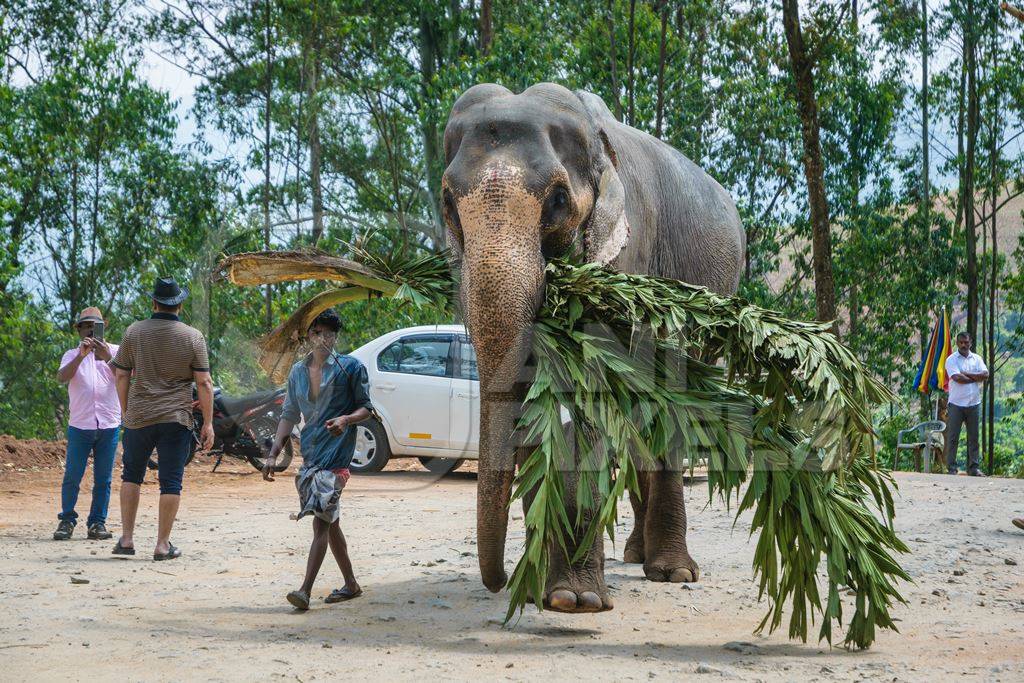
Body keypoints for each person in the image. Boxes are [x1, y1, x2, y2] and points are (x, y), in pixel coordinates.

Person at [263, 308, 372, 610]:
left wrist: (346, 420)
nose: (324, 339)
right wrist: (273, 454)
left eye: (330, 333)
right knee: (331, 520)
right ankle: (351, 584)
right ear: (308, 336)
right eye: (318, 332)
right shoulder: (297, 372)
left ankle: (304, 591)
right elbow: (288, 415)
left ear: (336, 337)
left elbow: (367, 409)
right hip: (311, 456)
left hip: (336, 457)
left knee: (321, 522)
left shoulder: (351, 368)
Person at [110, 277, 214, 560]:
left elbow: (120, 374)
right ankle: (162, 545)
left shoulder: (134, 332)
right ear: (179, 305)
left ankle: (127, 540)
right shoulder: (193, 337)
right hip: (175, 418)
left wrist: (125, 410)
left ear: (153, 302)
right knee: (171, 482)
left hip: (139, 417)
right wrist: (207, 423)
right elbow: (204, 383)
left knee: (131, 475)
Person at [52, 307, 121, 541]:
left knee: (104, 478)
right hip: (80, 425)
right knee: (73, 475)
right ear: (79, 330)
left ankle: (97, 523)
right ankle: (67, 520)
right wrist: (81, 356)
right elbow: (62, 377)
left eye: (95, 326)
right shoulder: (72, 354)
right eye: (85, 326)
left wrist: (107, 358)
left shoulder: (116, 352)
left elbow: (128, 376)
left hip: (109, 424)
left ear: (104, 327)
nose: (90, 330)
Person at [944, 332, 989, 477]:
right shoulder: (951, 359)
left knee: (974, 437)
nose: (964, 345)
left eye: (966, 342)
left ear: (971, 342)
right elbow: (957, 378)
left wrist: (966, 373)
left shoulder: (977, 358)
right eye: (961, 342)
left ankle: (973, 468)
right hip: (956, 404)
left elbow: (985, 375)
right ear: (957, 343)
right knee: (953, 438)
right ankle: (952, 468)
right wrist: (975, 377)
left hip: (973, 404)